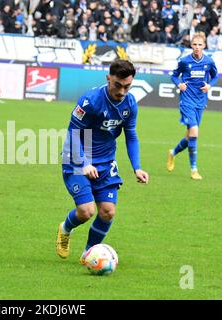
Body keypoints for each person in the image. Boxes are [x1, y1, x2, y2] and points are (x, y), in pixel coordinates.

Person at [56, 59, 149, 263]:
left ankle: (88, 254)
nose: (122, 91)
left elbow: (131, 135)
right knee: (86, 211)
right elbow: (73, 134)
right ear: (108, 78)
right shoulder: (90, 101)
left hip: (106, 162)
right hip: (76, 159)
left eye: (127, 86)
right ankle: (65, 229)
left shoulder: (130, 103)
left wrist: (137, 168)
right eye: (118, 85)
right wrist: (84, 163)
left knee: (107, 212)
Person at [167, 32, 218, 180]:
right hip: (187, 100)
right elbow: (174, 75)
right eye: (194, 44)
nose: (197, 47)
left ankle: (173, 153)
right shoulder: (184, 61)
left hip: (200, 101)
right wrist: (179, 84)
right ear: (191, 45)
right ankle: (194, 169)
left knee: (190, 136)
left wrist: (210, 85)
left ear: (204, 46)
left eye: (200, 45)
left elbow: (215, 76)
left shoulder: (209, 61)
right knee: (194, 132)